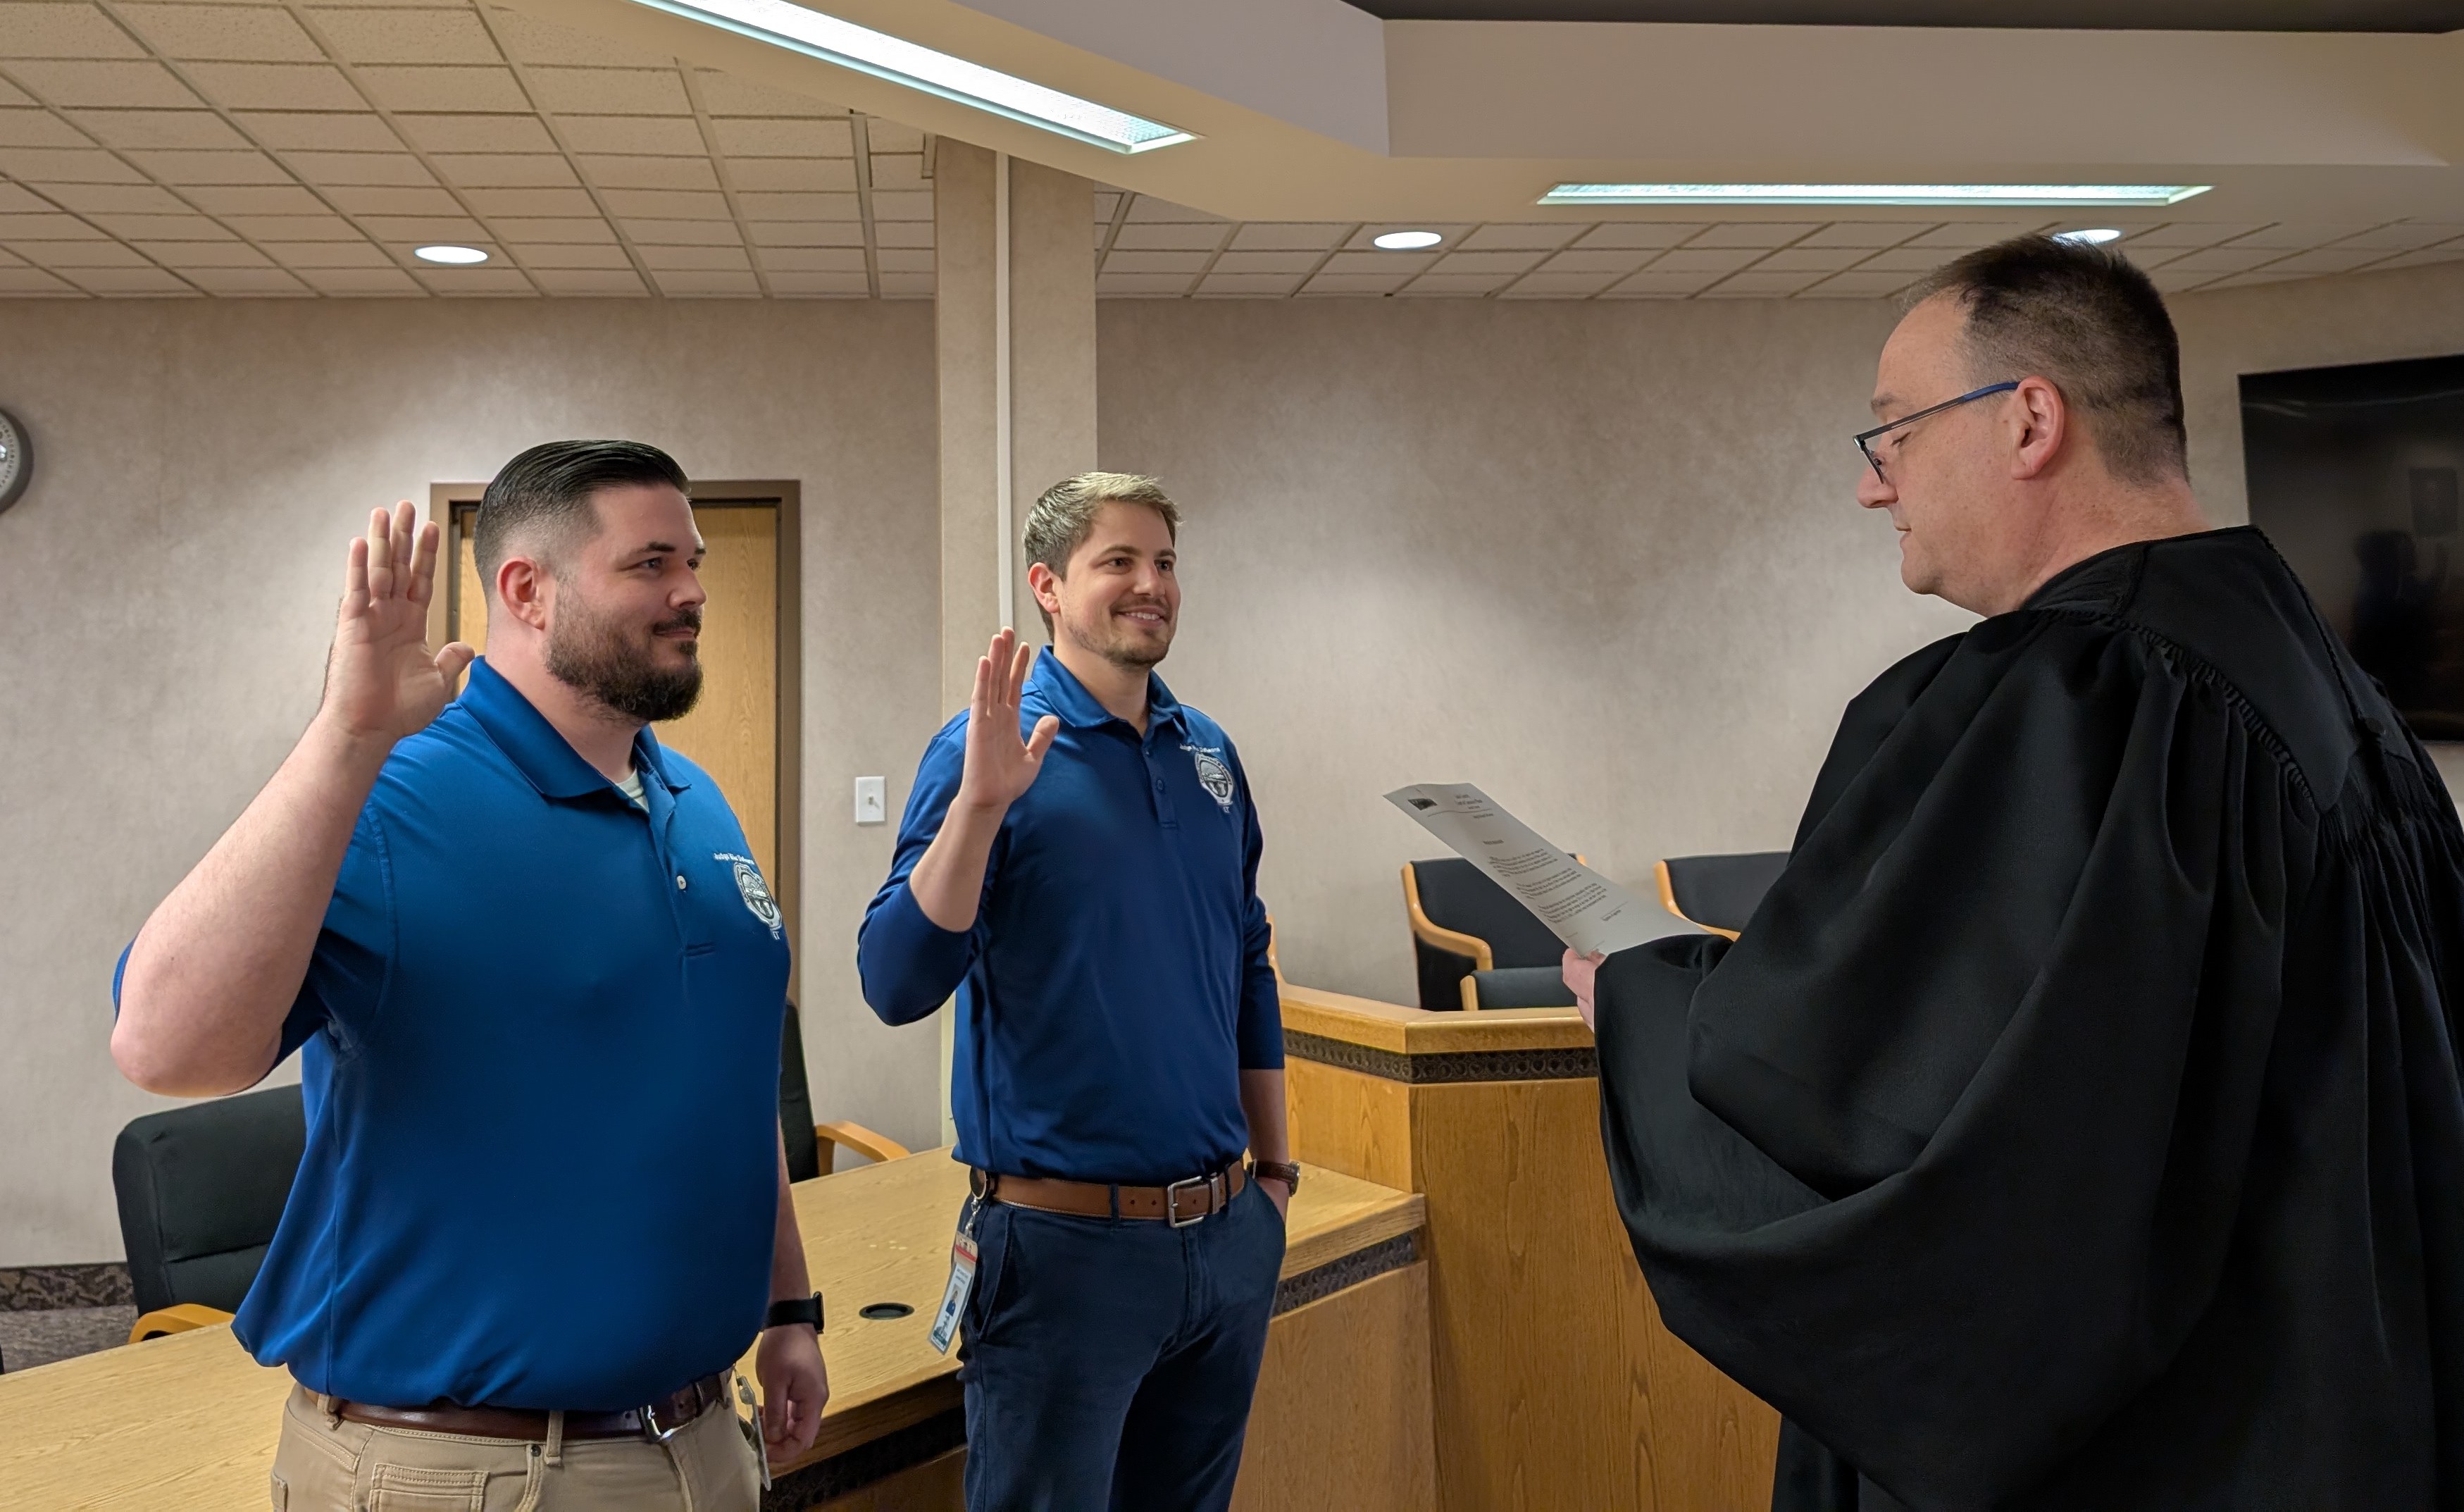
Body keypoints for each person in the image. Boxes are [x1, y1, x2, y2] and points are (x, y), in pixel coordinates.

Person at [1566, 237, 2464, 1510]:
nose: (1877, 487)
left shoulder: (2072, 699)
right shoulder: (2333, 686)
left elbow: (1892, 1116)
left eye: (1894, 432)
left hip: (2166, 1452)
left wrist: (1647, 1008)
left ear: (2028, 419)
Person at [110, 441, 826, 1511]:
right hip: (468, 1467)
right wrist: (347, 737)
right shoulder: (390, 799)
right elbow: (163, 1047)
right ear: (526, 591)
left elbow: (729, 1083)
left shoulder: (696, 801)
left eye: (696, 562)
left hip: (697, 1441)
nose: (691, 594)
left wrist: (787, 1309)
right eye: (650, 564)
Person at [857, 471, 1295, 1512]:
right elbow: (893, 979)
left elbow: (1246, 959)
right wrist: (978, 808)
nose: (1150, 584)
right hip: (1063, 1253)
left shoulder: (1206, 753)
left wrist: (1272, 1178)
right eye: (1119, 561)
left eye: (1165, 562)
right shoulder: (988, 747)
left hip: (1222, 1237)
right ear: (1046, 586)